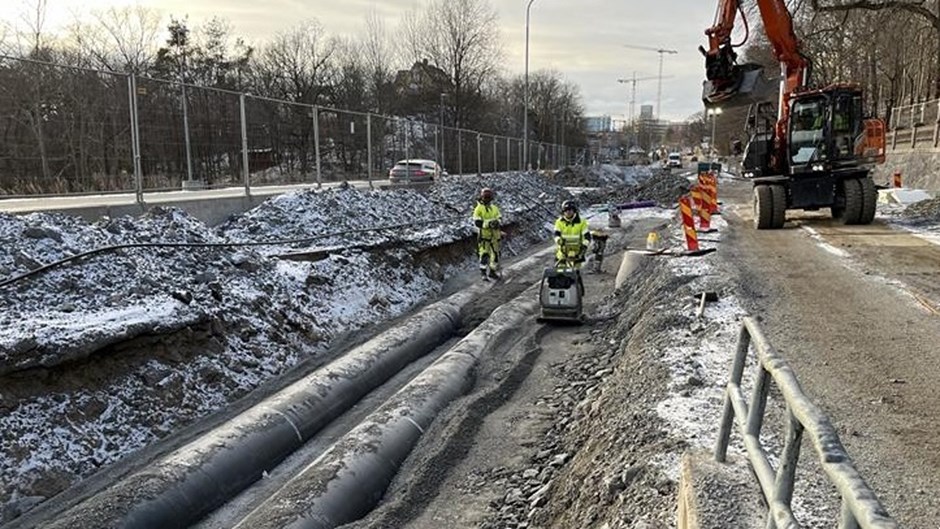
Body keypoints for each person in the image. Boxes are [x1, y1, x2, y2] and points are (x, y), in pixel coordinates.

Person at [472, 187, 502, 280]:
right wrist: (488, 224)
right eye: (485, 197)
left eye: (488, 198)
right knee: (484, 255)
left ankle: (492, 272)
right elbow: (477, 222)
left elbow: (499, 217)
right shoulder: (478, 209)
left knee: (496, 256)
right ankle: (483, 273)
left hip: (495, 237)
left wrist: (497, 222)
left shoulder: (494, 208)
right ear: (482, 198)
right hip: (484, 237)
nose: (487, 199)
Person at [553, 200, 592, 268]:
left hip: (577, 253)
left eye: (570, 210)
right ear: (563, 211)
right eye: (566, 210)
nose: (568, 212)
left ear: (574, 210)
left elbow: (587, 236)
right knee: (560, 272)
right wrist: (558, 240)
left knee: (575, 273)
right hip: (563, 253)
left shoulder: (581, 222)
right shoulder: (559, 222)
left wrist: (584, 245)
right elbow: (556, 234)